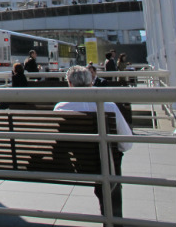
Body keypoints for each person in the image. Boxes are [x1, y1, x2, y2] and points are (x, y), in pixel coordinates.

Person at [54, 65, 132, 220]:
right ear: (92, 82)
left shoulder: (61, 107)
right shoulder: (108, 106)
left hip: (79, 163)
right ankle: (113, 219)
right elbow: (126, 144)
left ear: (69, 83)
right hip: (107, 165)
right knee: (112, 159)